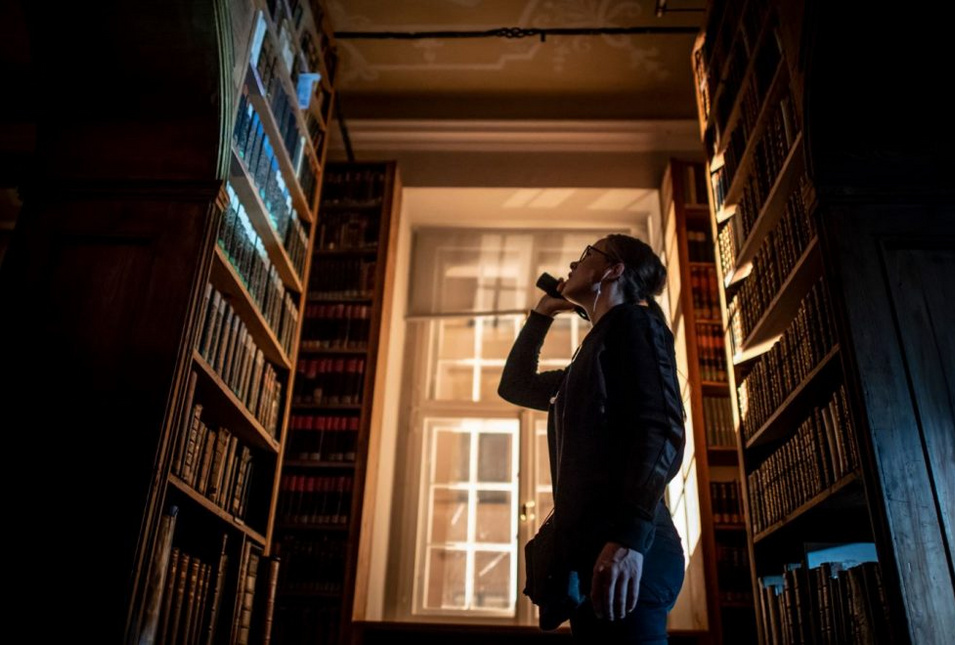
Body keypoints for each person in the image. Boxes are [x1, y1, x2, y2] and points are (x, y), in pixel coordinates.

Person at [499, 234, 686, 644]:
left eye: (586, 255)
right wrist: (544, 312)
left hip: (626, 552)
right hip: (597, 558)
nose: (571, 265)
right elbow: (515, 386)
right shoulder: (592, 356)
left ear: (613, 270)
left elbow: (662, 428)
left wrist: (627, 539)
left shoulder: (634, 324)